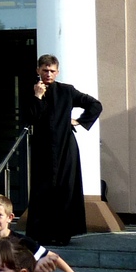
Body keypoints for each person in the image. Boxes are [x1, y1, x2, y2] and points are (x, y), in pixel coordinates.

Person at [22, 54, 102, 246]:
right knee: (43, 189)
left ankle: (63, 234)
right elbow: (31, 118)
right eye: (45, 70)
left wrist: (80, 121)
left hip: (66, 147)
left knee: (66, 188)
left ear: (57, 72)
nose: (48, 74)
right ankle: (42, 233)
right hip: (42, 148)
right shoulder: (31, 91)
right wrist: (38, 97)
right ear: (38, 70)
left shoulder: (67, 91)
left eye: (52, 71)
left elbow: (95, 105)